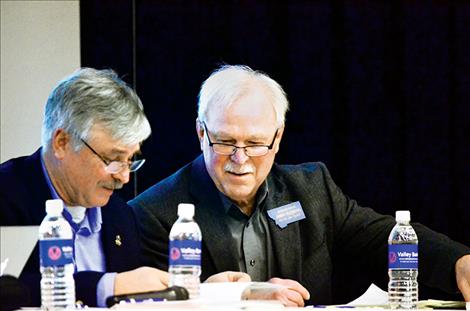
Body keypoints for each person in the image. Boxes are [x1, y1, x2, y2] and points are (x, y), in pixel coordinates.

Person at [130, 64, 470, 307]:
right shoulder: (155, 213)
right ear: (201, 133)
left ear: (278, 138)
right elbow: (161, 303)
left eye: (255, 143)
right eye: (225, 141)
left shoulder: (310, 189)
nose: (240, 158)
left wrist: (458, 262)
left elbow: (379, 235)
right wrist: (247, 299)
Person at [0, 68, 248, 309]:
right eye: (112, 159)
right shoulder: (7, 193)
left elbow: (135, 294)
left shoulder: (119, 215)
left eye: (130, 160)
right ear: (62, 142)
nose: (124, 177)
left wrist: (202, 291)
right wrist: (107, 286)